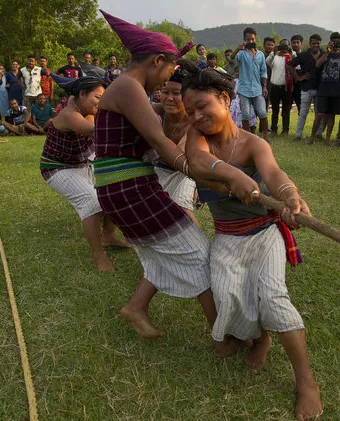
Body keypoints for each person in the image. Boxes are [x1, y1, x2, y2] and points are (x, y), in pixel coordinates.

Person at [95, 10, 257, 340]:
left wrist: (208, 175)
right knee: (198, 254)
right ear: (157, 60)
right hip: (130, 188)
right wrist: (199, 172)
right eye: (170, 69)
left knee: (161, 252)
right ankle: (224, 336)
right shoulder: (129, 87)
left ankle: (136, 308)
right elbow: (160, 144)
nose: (169, 79)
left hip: (125, 187)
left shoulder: (128, 88)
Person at [181, 66, 322, 421]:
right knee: (230, 298)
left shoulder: (255, 143)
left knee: (272, 297)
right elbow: (198, 161)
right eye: (191, 111)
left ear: (225, 100)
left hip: (263, 233)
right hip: (227, 237)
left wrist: (291, 197)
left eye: (203, 106)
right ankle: (261, 339)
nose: (197, 116)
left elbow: (274, 175)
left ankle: (305, 381)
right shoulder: (197, 140)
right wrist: (234, 175)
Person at [41, 76, 128, 272]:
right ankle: (98, 255)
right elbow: (97, 132)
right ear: (81, 94)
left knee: (112, 188)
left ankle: (108, 235)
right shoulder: (69, 114)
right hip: (58, 168)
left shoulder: (85, 107)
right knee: (91, 200)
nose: (101, 102)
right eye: (97, 97)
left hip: (83, 163)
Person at [151, 65, 199, 226]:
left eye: (176, 93)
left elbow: (178, 155)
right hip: (157, 168)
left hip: (186, 169)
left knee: (182, 209)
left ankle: (200, 247)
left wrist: (201, 184)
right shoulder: (154, 112)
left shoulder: (194, 122)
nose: (169, 98)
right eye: (165, 92)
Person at [231, 27, 269, 141]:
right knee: (246, 115)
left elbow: (264, 71)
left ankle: (266, 136)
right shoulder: (241, 54)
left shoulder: (260, 55)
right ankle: (247, 138)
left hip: (257, 89)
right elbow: (231, 59)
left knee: (262, 112)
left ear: (255, 39)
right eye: (248, 39)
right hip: (244, 89)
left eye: (252, 39)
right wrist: (238, 49)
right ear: (244, 40)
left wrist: (265, 86)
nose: (250, 41)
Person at [312, 34, 340, 145]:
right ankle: (312, 138)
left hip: (336, 90)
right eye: (334, 42)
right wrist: (327, 52)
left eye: (338, 42)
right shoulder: (325, 53)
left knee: (331, 115)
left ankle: (327, 139)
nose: (335, 44)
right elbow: (317, 65)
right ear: (330, 42)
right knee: (319, 114)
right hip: (324, 89)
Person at [288, 34, 324, 141]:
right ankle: (298, 135)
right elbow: (289, 65)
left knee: (319, 113)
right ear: (309, 43)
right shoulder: (303, 55)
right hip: (306, 88)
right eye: (314, 43)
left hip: (320, 88)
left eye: (318, 43)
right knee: (303, 113)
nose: (316, 45)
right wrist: (299, 78)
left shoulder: (324, 54)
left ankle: (319, 134)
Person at [266, 44, 296, 135]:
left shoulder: (290, 57)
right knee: (275, 111)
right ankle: (274, 130)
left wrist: (291, 52)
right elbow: (267, 61)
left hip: (287, 87)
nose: (283, 50)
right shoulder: (275, 57)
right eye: (281, 48)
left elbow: (296, 60)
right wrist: (273, 52)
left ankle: (285, 130)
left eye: (285, 48)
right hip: (275, 87)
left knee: (286, 110)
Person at [290, 35, 304, 114]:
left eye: (297, 42)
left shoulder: (305, 56)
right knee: (288, 105)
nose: (295, 44)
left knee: (300, 105)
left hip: (300, 84)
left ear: (301, 44)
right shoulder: (288, 55)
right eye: (293, 42)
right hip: (289, 82)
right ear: (291, 44)